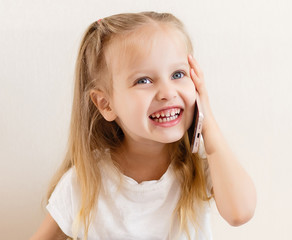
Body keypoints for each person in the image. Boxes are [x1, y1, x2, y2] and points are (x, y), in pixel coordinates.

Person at [30, 12, 257, 240]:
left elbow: (240, 213)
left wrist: (208, 123)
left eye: (178, 74)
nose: (168, 93)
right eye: (144, 81)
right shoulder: (85, 181)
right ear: (106, 104)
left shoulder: (200, 169)